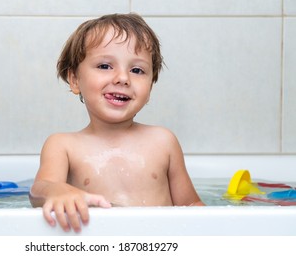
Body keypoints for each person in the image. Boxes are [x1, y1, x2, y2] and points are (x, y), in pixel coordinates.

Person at [29, 13, 204, 233]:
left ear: (150, 88)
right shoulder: (63, 145)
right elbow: (39, 190)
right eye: (104, 66)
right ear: (74, 80)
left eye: (137, 70)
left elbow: (191, 206)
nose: (123, 78)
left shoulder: (163, 142)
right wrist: (57, 192)